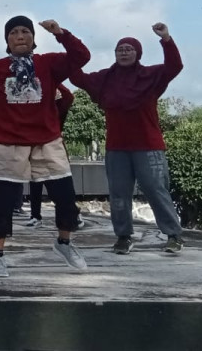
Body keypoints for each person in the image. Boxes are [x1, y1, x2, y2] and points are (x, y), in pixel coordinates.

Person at [0, 16, 90, 278]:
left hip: (46, 140)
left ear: (33, 38)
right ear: (7, 40)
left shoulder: (48, 63)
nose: (20, 36)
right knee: (4, 201)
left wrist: (60, 33)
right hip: (8, 142)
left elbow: (81, 56)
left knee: (65, 197)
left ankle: (64, 242)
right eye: (14, 32)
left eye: (25, 31)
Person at [69, 22, 185, 255]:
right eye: (120, 49)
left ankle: (173, 235)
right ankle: (123, 237)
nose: (124, 52)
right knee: (119, 194)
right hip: (117, 148)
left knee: (156, 190)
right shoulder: (105, 79)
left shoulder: (150, 76)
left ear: (138, 53)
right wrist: (66, 42)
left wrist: (166, 39)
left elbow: (174, 65)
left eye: (129, 48)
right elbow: (76, 77)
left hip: (148, 147)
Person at [0, 85, 76, 228]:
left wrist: (54, 81)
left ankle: (71, 216)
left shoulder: (56, 107)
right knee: (33, 185)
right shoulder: (28, 108)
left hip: (51, 151)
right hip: (32, 149)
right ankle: (35, 215)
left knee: (60, 190)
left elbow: (68, 97)